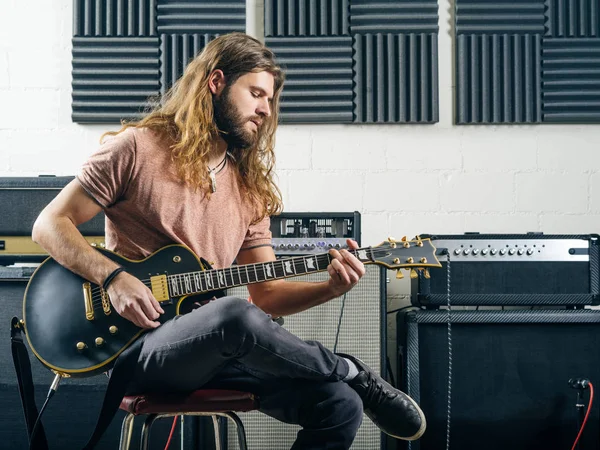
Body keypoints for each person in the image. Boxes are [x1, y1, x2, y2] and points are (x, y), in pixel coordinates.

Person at [32, 32, 425, 449]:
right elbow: (48, 225)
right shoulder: (136, 148)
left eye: (270, 100)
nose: (265, 110)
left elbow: (267, 295)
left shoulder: (248, 188)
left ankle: (346, 381)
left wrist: (330, 287)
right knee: (233, 315)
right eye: (256, 93)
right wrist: (114, 279)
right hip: (142, 346)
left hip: (219, 351)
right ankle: (352, 369)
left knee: (340, 405)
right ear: (216, 83)